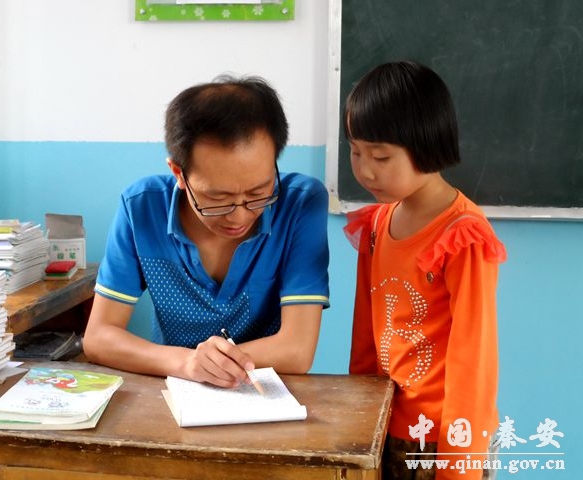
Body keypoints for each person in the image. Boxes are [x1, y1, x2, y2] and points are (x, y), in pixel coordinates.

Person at [83, 75, 329, 390]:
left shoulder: (299, 204)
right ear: (178, 173)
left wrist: (211, 364)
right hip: (178, 391)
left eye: (258, 191)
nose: (240, 215)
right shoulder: (141, 208)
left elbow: (297, 350)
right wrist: (187, 363)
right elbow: (99, 337)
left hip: (267, 397)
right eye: (217, 198)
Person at [343, 61, 506, 479]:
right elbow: (366, 333)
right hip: (382, 429)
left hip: (440, 444)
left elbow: (475, 360)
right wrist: (359, 419)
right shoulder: (376, 224)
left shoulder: (462, 235)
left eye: (381, 156)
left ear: (427, 144)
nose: (364, 169)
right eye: (355, 151)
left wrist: (459, 466)